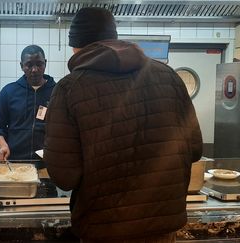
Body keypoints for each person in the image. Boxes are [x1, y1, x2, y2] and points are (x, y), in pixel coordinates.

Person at [44, 7, 202, 243]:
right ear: (113, 38)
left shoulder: (70, 88)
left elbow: (64, 176)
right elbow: (195, 149)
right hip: (162, 227)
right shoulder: (169, 77)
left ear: (76, 46)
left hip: (104, 230)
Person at [0, 45, 56, 161]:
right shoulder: (9, 92)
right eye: (29, 65)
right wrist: (3, 145)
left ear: (45, 63)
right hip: (14, 161)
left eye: (39, 64)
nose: (34, 69)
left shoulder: (57, 92)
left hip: (48, 163)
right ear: (22, 66)